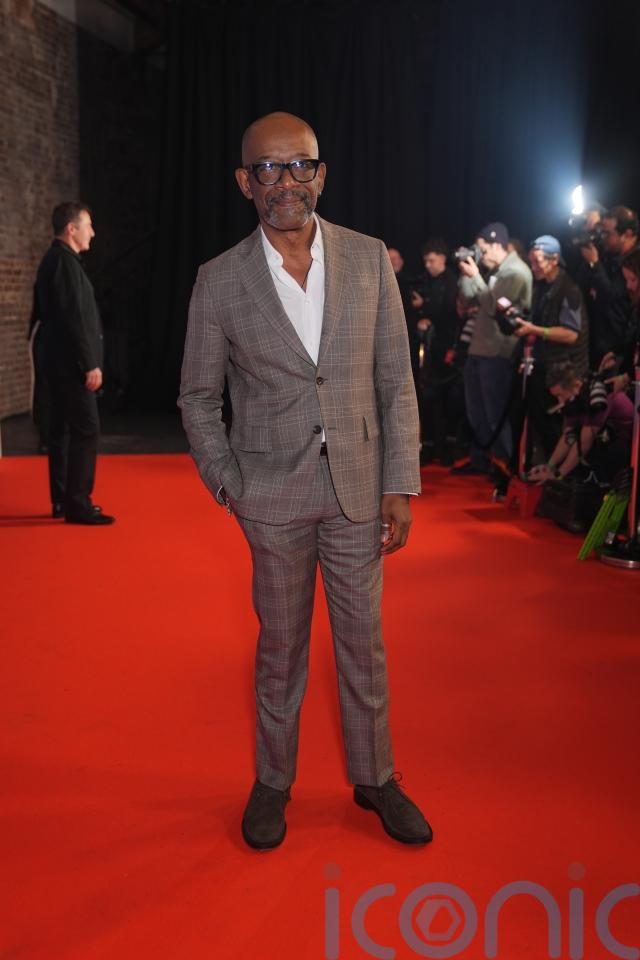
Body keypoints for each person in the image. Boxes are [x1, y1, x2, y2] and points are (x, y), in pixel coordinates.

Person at [179, 112, 431, 850]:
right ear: (245, 181)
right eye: (268, 168)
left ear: (320, 174)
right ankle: (273, 780)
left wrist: (400, 481)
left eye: (299, 165)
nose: (285, 181)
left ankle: (376, 777)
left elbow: (396, 379)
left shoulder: (367, 259)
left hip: (358, 489)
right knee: (280, 649)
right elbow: (197, 396)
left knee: (363, 645)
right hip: (271, 497)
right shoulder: (219, 280)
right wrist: (229, 483)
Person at [34, 203, 115, 525]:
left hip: (58, 362)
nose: (92, 232)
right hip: (71, 366)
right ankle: (78, 503)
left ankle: (63, 499)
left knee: (63, 431)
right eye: (88, 225)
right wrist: (89, 363)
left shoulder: (55, 260)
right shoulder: (63, 263)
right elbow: (73, 318)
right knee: (86, 429)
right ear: (71, 229)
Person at [453, 222, 532, 493]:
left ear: (498, 245)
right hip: (479, 349)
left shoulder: (516, 272)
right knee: (476, 412)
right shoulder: (496, 271)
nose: (481, 255)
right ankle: (486, 462)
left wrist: (476, 276)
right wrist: (467, 273)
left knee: (495, 415)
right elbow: (470, 298)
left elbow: (492, 307)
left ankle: (505, 468)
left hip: (497, 352)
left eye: (483, 250)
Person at [511, 235, 589, 469]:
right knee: (541, 422)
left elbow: (571, 334)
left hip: (567, 372)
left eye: (537, 261)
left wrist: (534, 330)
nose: (533, 267)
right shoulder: (543, 287)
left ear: (554, 259)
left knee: (559, 429)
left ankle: (558, 476)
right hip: (546, 367)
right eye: (531, 262)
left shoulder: (569, 290)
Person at [528, 361, 633, 485]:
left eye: (561, 395)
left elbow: (584, 442)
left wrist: (557, 475)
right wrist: (549, 466)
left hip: (627, 445)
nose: (560, 401)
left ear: (576, 385)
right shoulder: (575, 399)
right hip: (611, 442)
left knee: (589, 450)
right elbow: (568, 437)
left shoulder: (598, 396)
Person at [410, 238, 459, 464]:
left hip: (447, 348)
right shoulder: (425, 280)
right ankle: (428, 446)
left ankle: (447, 448)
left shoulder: (452, 282)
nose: (428, 265)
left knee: (448, 400)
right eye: (425, 261)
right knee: (427, 399)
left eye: (431, 260)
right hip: (429, 349)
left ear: (442, 258)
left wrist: (424, 307)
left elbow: (449, 312)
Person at [575, 205, 639, 364]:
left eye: (607, 233)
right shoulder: (608, 256)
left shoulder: (636, 262)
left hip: (622, 349)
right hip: (601, 344)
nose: (603, 237)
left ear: (627, 234)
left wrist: (595, 264)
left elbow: (611, 296)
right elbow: (580, 284)